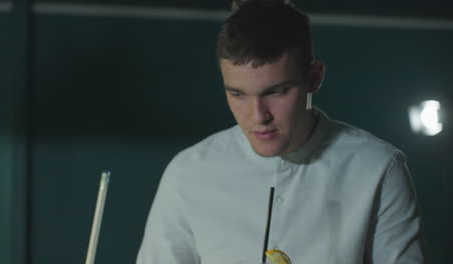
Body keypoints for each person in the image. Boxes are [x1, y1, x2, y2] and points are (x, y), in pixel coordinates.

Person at [136, 0, 426, 263]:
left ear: (314, 78)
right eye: (238, 95)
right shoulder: (187, 174)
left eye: (276, 92)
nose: (258, 116)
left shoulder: (378, 168)